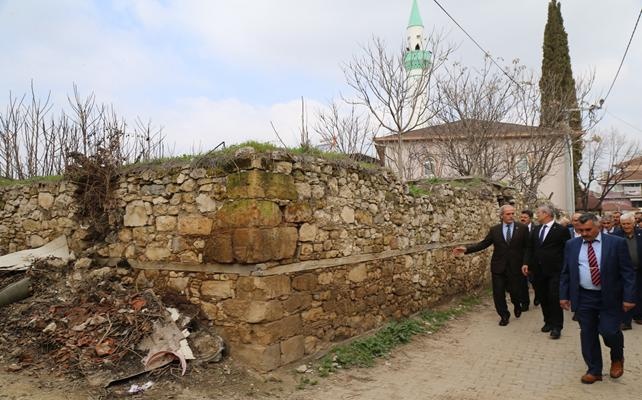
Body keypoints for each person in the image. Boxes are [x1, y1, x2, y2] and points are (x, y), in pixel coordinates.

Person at [559, 213, 636, 384]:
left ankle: (617, 357)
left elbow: (628, 272)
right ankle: (594, 370)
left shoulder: (616, 243)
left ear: (598, 226)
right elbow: (566, 272)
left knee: (609, 331)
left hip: (610, 296)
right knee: (587, 333)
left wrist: (629, 297)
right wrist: (563, 295)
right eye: (581, 230)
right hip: (584, 296)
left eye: (588, 230)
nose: (584, 233)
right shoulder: (572, 245)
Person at [453, 204, 529, 326]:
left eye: (512, 213)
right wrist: (466, 249)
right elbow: (483, 244)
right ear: (502, 215)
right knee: (498, 293)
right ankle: (504, 315)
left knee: (515, 292)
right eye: (508, 214)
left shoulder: (522, 228)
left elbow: (527, 248)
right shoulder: (495, 230)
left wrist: (525, 263)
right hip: (498, 267)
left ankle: (517, 305)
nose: (511, 216)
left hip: (515, 267)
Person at [522, 205, 571, 339]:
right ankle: (548, 322)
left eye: (538, 213)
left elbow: (567, 250)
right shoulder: (536, 230)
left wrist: (565, 268)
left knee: (554, 298)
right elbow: (529, 248)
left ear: (546, 214)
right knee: (543, 297)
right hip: (538, 271)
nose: (536, 215)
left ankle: (557, 327)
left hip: (555, 270)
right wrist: (526, 263)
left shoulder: (561, 230)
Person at [613, 212, 642, 329]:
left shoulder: (640, 234)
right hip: (623, 271)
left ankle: (639, 315)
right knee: (625, 294)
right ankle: (625, 321)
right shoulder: (616, 236)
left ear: (633, 222)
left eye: (628, 223)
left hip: (639, 270)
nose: (626, 226)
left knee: (639, 293)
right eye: (623, 224)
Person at [519, 209, 535, 309]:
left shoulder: (536, 228)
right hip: (521, 259)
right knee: (522, 281)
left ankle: (538, 296)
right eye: (521, 217)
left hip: (534, 259)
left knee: (534, 280)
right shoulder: (517, 228)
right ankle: (525, 303)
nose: (523, 219)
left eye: (525, 217)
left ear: (530, 219)